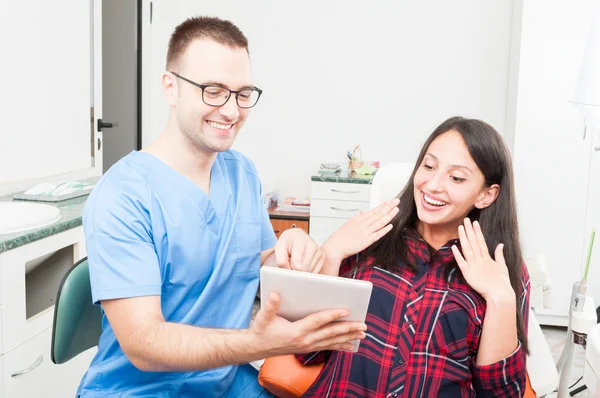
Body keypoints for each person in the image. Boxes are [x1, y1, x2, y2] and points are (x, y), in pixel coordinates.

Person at [77, 16, 368, 397]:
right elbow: (145, 345)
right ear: (171, 87)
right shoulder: (122, 196)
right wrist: (262, 343)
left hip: (224, 378)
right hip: (139, 389)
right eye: (213, 91)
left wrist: (290, 247)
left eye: (242, 93)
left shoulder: (240, 171)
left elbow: (256, 262)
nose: (231, 111)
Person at [296, 116, 531, 397]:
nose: (432, 185)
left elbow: (502, 394)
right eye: (428, 166)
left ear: (486, 195)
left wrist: (500, 298)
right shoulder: (368, 241)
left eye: (456, 177)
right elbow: (307, 352)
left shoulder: (501, 270)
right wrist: (331, 252)